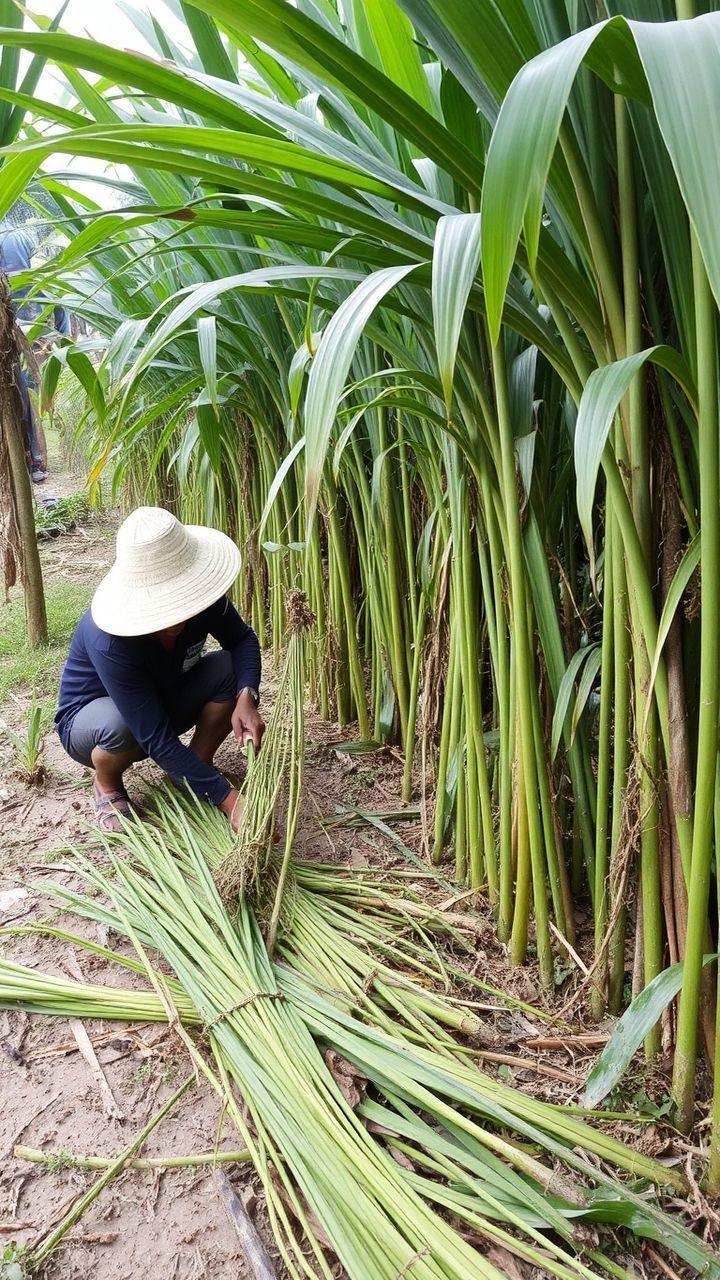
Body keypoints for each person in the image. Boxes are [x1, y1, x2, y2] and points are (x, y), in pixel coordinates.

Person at [55, 507, 265, 831]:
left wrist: (247, 696)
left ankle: (194, 768)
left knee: (229, 669)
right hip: (94, 721)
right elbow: (154, 737)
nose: (176, 620)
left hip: (161, 699)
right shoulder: (109, 638)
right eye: (163, 607)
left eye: (181, 602)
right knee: (121, 724)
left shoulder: (205, 597)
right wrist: (232, 802)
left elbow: (242, 639)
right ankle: (107, 782)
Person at [0, 226, 71, 483]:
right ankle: (32, 462)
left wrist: (54, 339)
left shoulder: (27, 274)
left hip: (24, 344)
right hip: (21, 343)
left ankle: (32, 461)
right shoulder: (28, 261)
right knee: (24, 398)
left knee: (24, 397)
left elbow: (60, 305)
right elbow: (61, 306)